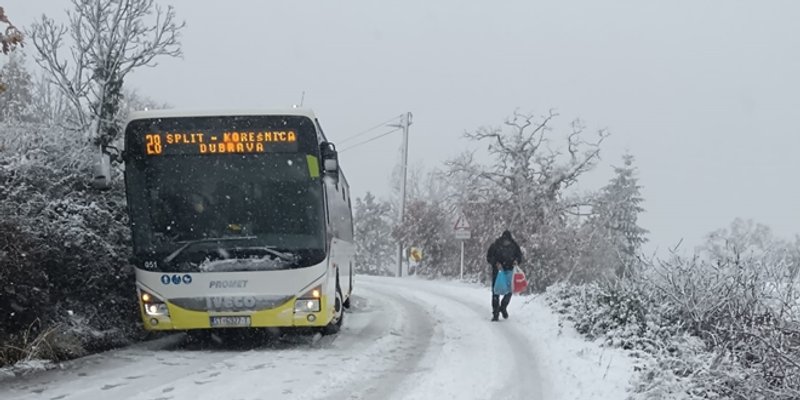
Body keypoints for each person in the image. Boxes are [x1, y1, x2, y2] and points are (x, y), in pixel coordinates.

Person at [486, 230, 522, 321]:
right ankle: (495, 313)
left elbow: (519, 256)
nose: (506, 242)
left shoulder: (514, 246)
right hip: (498, 272)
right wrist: (496, 263)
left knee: (509, 291)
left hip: (510, 271)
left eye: (508, 241)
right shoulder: (495, 245)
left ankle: (503, 306)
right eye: (505, 241)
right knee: (496, 292)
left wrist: (516, 261)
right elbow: (489, 257)